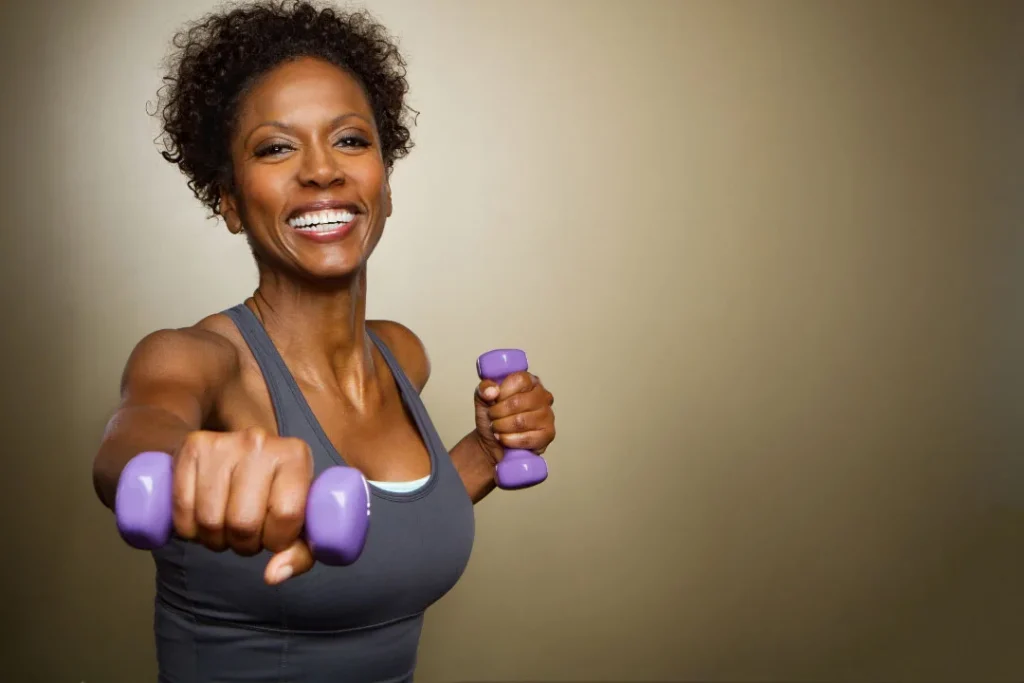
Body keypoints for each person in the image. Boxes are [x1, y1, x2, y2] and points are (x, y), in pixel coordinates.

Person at [90, 1, 557, 680]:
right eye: (276, 147)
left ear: (385, 185)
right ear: (227, 200)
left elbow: (385, 527)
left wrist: (486, 451)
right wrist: (186, 467)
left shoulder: (402, 354)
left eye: (350, 140)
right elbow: (129, 445)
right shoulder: (196, 359)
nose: (322, 171)